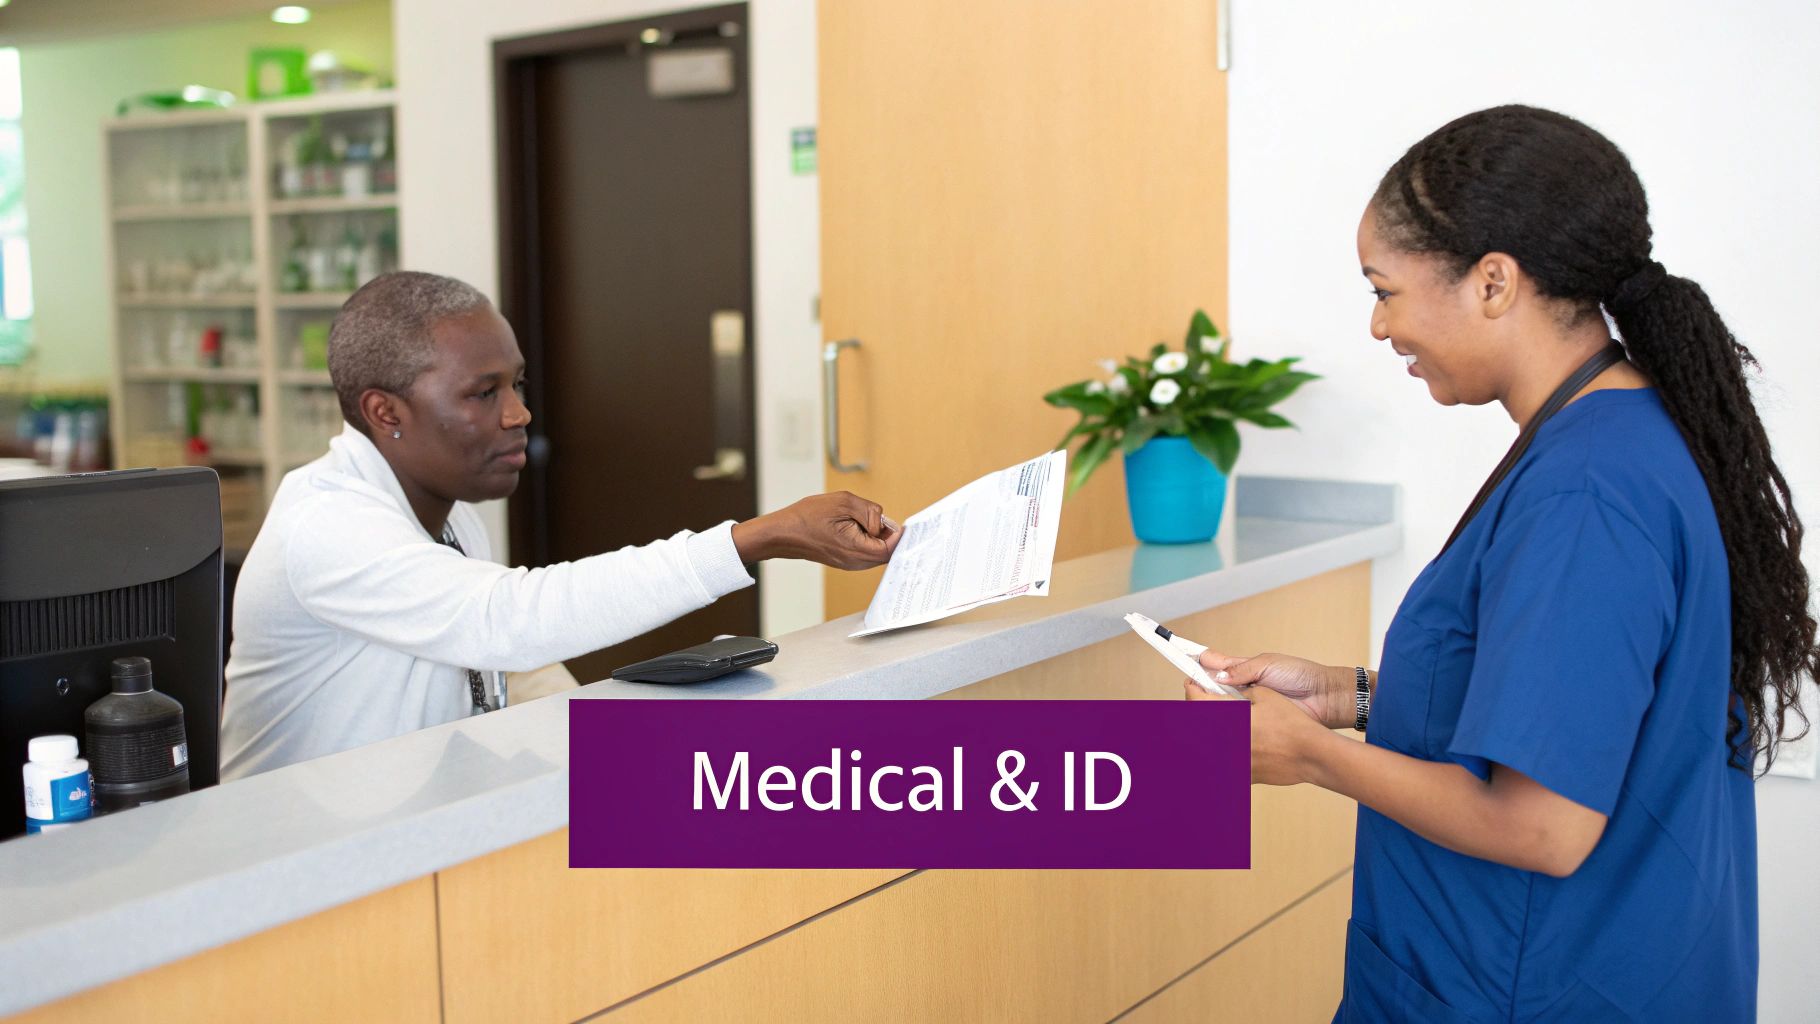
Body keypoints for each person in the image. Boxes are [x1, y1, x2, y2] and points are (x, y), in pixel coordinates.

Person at [1187, 106, 1817, 1021]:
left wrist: (1313, 757)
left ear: (1492, 282)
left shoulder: (1586, 493)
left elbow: (1545, 825)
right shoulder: (1615, 436)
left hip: (1540, 987)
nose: (1376, 326)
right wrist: (1353, 698)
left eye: (1384, 290)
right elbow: (1581, 716)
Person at [221, 272, 899, 778]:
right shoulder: (327, 525)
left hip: (411, 836)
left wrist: (621, 738)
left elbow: (514, 669)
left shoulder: (452, 522)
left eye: (517, 386)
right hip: (298, 885)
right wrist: (751, 539)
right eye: (485, 393)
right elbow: (507, 620)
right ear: (385, 412)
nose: (517, 414)